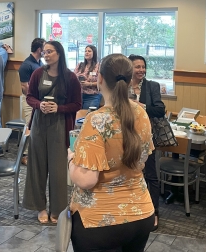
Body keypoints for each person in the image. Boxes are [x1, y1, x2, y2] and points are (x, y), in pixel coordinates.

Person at [68, 54, 155, 252]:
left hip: (100, 221)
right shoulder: (141, 113)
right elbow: (142, 161)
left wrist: (71, 160)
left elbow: (87, 180)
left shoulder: (95, 120)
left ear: (100, 78)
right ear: (130, 79)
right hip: (141, 214)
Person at [23, 41, 82, 224]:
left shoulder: (70, 77)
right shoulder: (37, 74)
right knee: (37, 167)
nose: (46, 55)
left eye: (50, 52)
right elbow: (30, 97)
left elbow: (77, 104)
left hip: (60, 125)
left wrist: (59, 108)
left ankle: (57, 209)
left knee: (58, 170)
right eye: (44, 52)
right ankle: (40, 207)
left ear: (59, 53)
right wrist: (39, 104)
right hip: (39, 124)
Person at [128, 54, 165, 231]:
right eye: (137, 67)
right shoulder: (122, 86)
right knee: (130, 173)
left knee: (151, 175)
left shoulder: (152, 86)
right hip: (127, 136)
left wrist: (141, 106)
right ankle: (133, 210)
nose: (141, 70)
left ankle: (154, 211)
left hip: (146, 136)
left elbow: (160, 110)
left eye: (143, 67)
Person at [18, 37, 45, 165]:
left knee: (37, 126)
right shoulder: (26, 65)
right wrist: (33, 99)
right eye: (44, 48)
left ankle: (34, 153)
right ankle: (25, 154)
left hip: (39, 101)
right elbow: (24, 87)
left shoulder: (40, 63)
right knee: (30, 126)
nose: (46, 51)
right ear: (39, 49)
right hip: (29, 101)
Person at [74, 45, 101, 109]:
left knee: (87, 113)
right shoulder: (80, 65)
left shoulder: (99, 66)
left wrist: (89, 84)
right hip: (79, 95)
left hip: (92, 96)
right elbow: (73, 77)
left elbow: (102, 82)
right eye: (85, 51)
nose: (87, 52)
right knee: (77, 114)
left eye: (89, 51)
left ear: (94, 53)